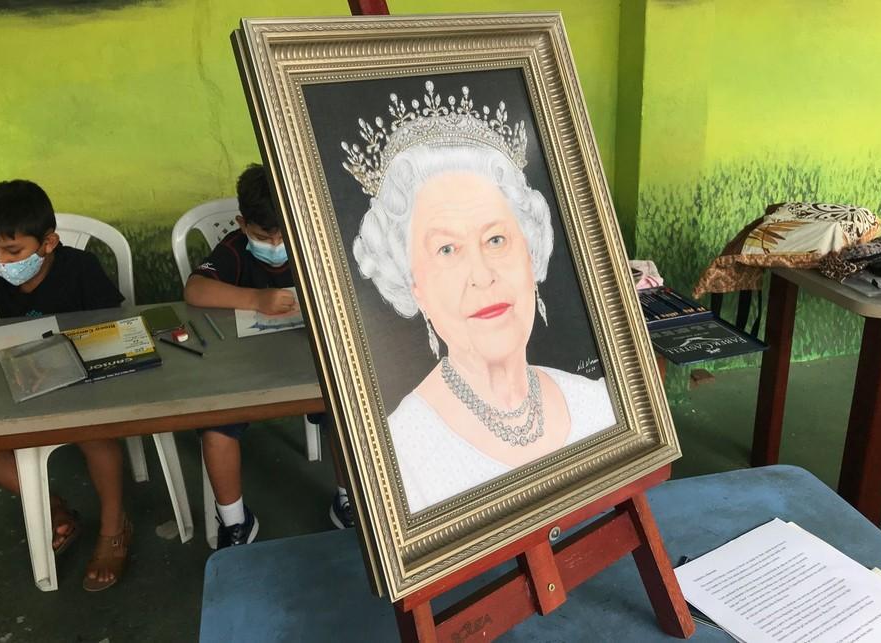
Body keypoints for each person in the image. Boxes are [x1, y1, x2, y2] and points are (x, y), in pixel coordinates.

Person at [347, 83, 617, 512]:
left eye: (496, 239)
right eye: (447, 249)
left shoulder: (599, 404)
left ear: (530, 253)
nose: (482, 275)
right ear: (414, 286)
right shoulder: (400, 455)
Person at [0, 179, 131, 591]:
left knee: (95, 435)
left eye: (13, 252)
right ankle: (52, 508)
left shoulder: (80, 269)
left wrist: (61, 360)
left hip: (83, 382)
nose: (1, 262)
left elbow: (116, 330)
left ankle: (113, 527)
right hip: (20, 381)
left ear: (48, 243)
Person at [183, 164, 354, 548]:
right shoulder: (234, 250)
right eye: (264, 236)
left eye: (283, 235)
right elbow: (195, 290)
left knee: (347, 412)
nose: (276, 245)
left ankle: (348, 500)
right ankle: (235, 522)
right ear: (243, 224)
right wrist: (256, 299)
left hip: (309, 367)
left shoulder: (313, 242)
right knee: (215, 426)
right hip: (244, 372)